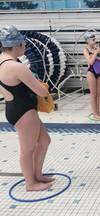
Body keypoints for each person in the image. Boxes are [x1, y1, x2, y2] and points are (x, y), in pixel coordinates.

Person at [0, 25, 54, 191]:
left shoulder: (3, 61)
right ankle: (30, 183)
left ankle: (37, 175)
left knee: (44, 141)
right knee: (27, 150)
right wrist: (38, 82)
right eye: (24, 43)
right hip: (24, 112)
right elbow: (42, 91)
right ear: (17, 45)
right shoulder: (17, 67)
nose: (25, 46)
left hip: (16, 107)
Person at [83, 33, 100, 119]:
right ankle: (94, 113)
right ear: (88, 41)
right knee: (93, 94)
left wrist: (95, 55)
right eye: (93, 40)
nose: (95, 41)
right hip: (91, 73)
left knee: (98, 94)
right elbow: (90, 62)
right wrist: (96, 53)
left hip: (99, 72)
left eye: (95, 39)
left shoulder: (97, 49)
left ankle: (98, 112)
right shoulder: (86, 50)